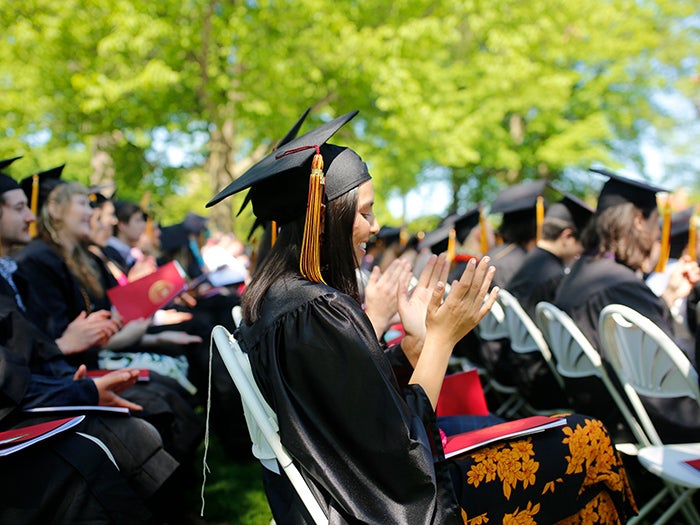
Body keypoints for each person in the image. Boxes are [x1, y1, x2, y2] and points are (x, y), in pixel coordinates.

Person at [206, 109, 637, 524]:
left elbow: (352, 401)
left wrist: (412, 346)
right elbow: (403, 445)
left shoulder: (279, 300)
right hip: (385, 505)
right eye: (365, 211)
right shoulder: (317, 309)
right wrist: (442, 339)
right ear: (324, 219)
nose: (375, 227)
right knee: (590, 440)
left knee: (553, 438)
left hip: (348, 491)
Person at [554, 168, 700, 444]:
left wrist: (667, 296)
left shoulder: (580, 273)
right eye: (655, 222)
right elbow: (670, 370)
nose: (658, 233)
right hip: (657, 424)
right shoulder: (618, 284)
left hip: (598, 414)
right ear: (638, 220)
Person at [501, 193, 594, 411]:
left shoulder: (531, 262)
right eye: (582, 244)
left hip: (521, 369)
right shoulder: (552, 274)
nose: (581, 252)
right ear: (567, 236)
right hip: (545, 382)